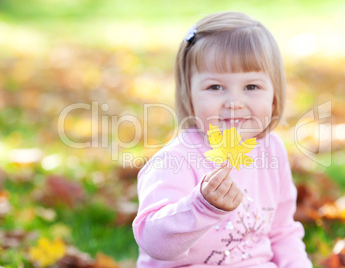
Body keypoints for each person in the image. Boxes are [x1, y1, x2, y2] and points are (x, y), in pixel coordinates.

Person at [132, 11, 312, 267]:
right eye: (215, 87)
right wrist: (201, 207)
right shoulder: (174, 161)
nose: (234, 103)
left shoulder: (272, 150)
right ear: (189, 94)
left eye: (251, 87)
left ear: (274, 94)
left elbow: (282, 233)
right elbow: (154, 242)